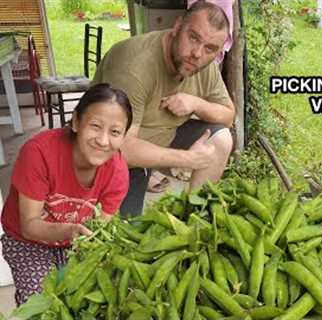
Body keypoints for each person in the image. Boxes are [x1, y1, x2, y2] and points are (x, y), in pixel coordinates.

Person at [92, 0, 236, 217]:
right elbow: (120, 149)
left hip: (163, 135)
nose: (197, 53)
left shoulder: (203, 64)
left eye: (210, 48)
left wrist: (196, 103)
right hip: (111, 155)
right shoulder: (135, 66)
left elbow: (228, 114)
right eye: (193, 37)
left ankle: (194, 216)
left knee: (221, 139)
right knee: (121, 237)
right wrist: (186, 159)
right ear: (177, 27)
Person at [0, 83, 132, 305]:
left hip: (75, 242)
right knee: (40, 303)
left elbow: (99, 229)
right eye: (96, 126)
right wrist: (70, 230)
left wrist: (82, 240)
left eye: (115, 132)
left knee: (88, 302)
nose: (103, 140)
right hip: (27, 240)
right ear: (76, 121)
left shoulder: (117, 173)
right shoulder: (40, 153)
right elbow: (29, 225)